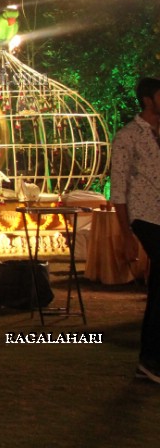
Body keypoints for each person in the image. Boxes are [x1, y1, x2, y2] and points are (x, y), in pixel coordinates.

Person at [111, 77, 160, 384]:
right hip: (144, 217)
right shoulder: (128, 136)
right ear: (147, 99)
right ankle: (150, 359)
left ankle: (150, 360)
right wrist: (127, 235)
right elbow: (118, 189)